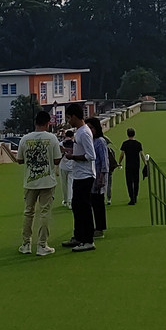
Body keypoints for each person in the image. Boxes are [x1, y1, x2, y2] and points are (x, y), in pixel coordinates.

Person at [16, 108, 62, 255]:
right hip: (47, 180)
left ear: (35, 122)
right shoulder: (52, 138)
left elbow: (19, 160)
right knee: (44, 213)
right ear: (47, 123)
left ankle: (26, 244)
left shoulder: (25, 139)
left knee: (28, 212)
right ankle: (42, 244)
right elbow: (57, 159)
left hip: (30, 181)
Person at [61, 103, 97, 251]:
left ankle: (88, 240)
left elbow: (91, 155)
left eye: (69, 118)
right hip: (79, 175)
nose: (68, 121)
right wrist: (70, 152)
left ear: (75, 117)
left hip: (85, 175)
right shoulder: (80, 132)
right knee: (77, 207)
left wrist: (73, 157)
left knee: (84, 208)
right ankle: (79, 236)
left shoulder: (84, 133)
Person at [89, 116, 111, 239]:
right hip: (91, 176)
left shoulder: (100, 142)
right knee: (93, 204)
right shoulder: (90, 141)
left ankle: (100, 228)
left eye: (91, 128)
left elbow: (104, 162)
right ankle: (95, 227)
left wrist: (102, 178)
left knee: (98, 205)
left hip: (99, 177)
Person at [120, 128, 144, 205]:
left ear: (127, 134)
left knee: (129, 182)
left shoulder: (125, 144)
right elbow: (142, 154)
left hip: (128, 165)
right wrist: (145, 163)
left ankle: (131, 198)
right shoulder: (138, 144)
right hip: (136, 165)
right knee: (136, 181)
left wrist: (119, 162)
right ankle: (135, 196)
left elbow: (122, 155)